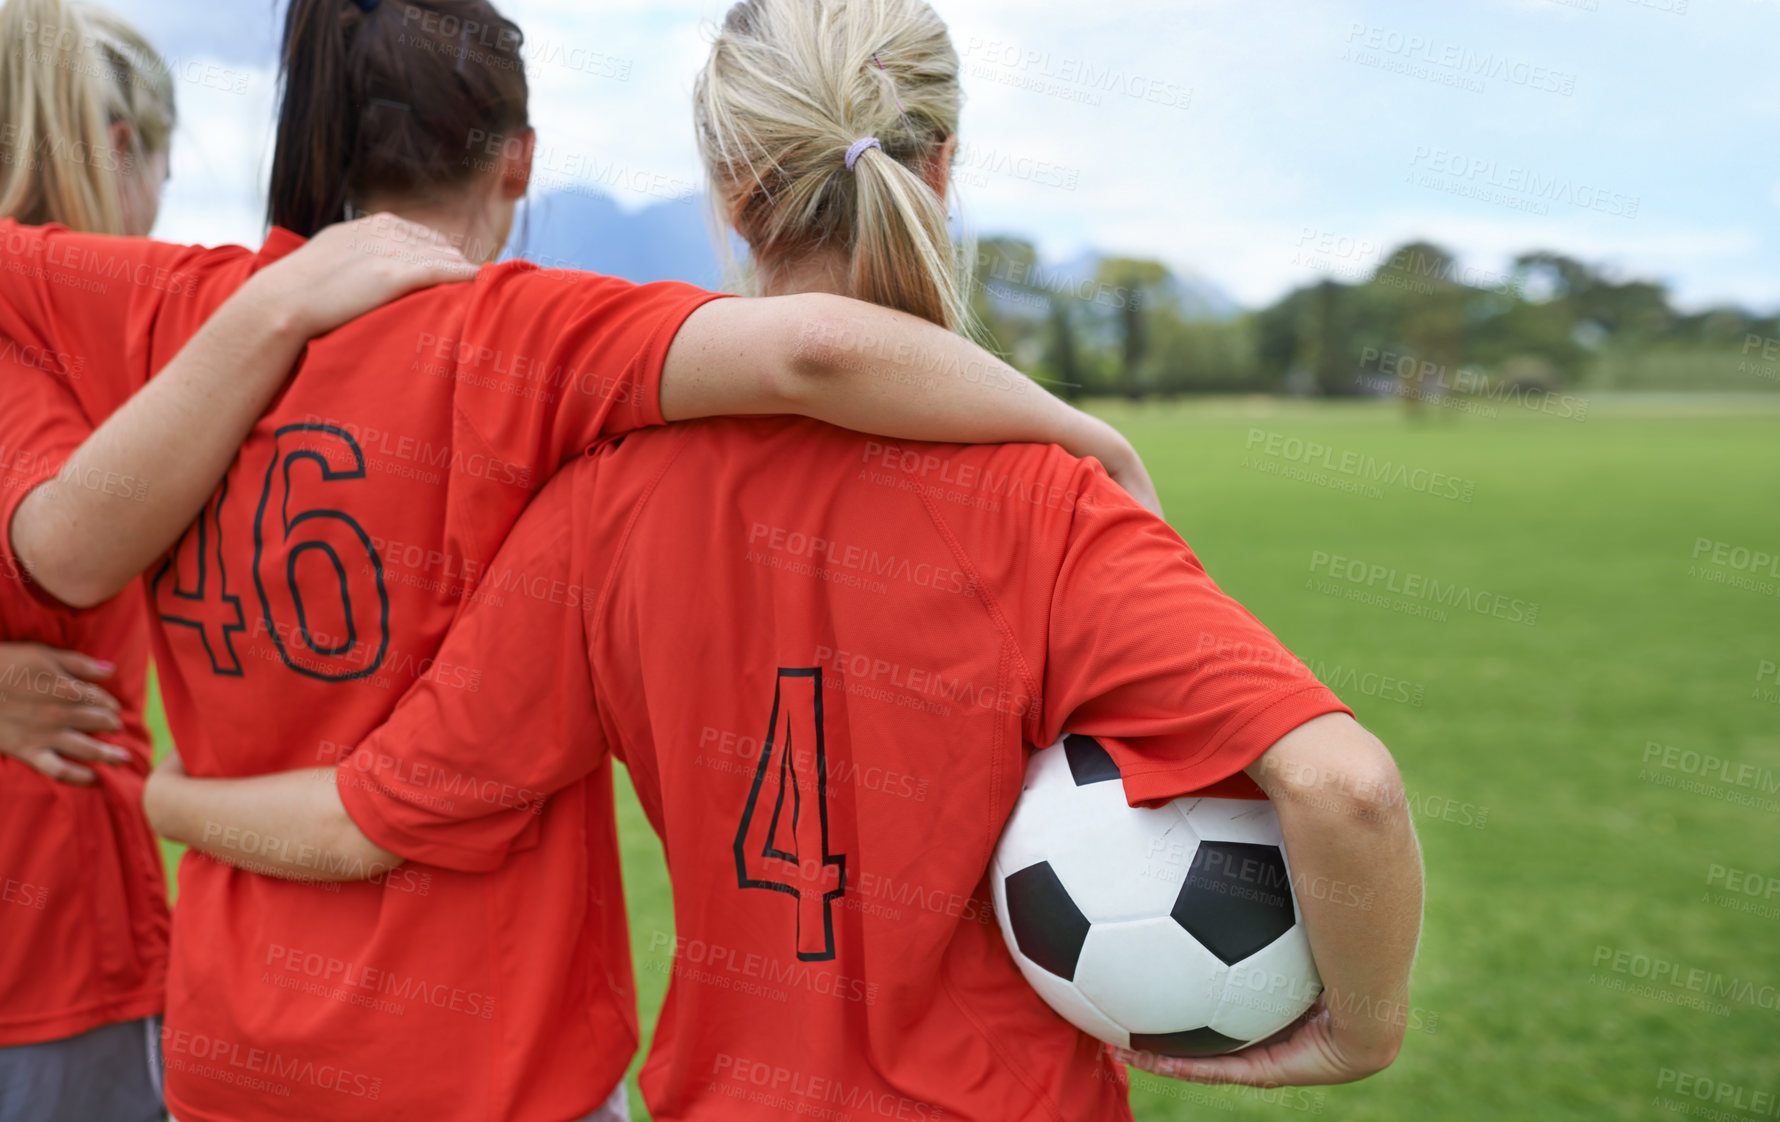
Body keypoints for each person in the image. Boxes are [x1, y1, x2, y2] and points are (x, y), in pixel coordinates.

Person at [143, 1, 1424, 1119]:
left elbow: (382, 815)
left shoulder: (604, 505)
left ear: (732, 192)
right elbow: (1343, 789)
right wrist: (1360, 1028)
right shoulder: (1052, 507)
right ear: (943, 165)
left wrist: (166, 799)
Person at [0, 5, 460, 1119]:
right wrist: (278, 304)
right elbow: (68, 545)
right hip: (53, 948)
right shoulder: (53, 326)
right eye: (160, 161)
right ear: (117, 149)